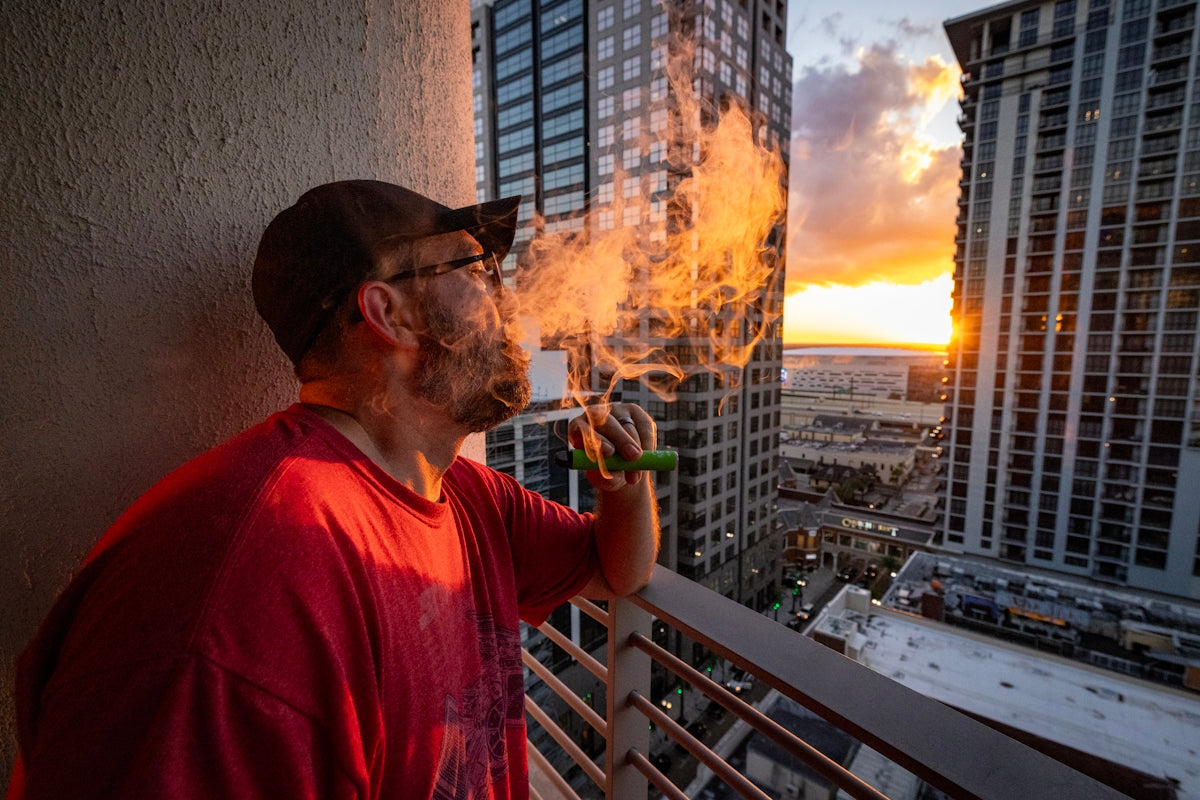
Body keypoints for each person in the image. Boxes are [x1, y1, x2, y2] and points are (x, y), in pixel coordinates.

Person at [9, 180, 661, 799]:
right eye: (476, 268)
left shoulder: (463, 493)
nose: (507, 295)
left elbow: (613, 569)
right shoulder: (243, 591)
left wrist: (624, 488)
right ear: (390, 315)